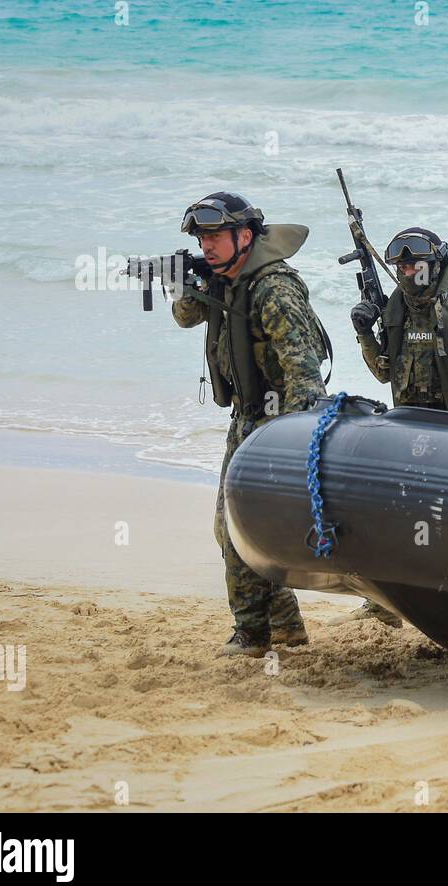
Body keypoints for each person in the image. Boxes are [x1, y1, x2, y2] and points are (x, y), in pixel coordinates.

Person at [171, 192, 330, 657]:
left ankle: (256, 632)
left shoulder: (274, 289)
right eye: (202, 238)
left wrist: (297, 445)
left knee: (249, 528)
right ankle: (277, 627)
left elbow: (305, 376)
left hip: (279, 425)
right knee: (231, 529)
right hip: (247, 418)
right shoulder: (221, 278)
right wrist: (184, 280)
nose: (207, 246)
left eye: (215, 236)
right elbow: (185, 317)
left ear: (246, 236)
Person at [351, 227, 448, 419]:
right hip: (408, 425)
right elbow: (383, 374)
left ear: (434, 267)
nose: (409, 273)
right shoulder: (395, 314)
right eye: (403, 267)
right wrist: (365, 334)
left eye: (416, 266)